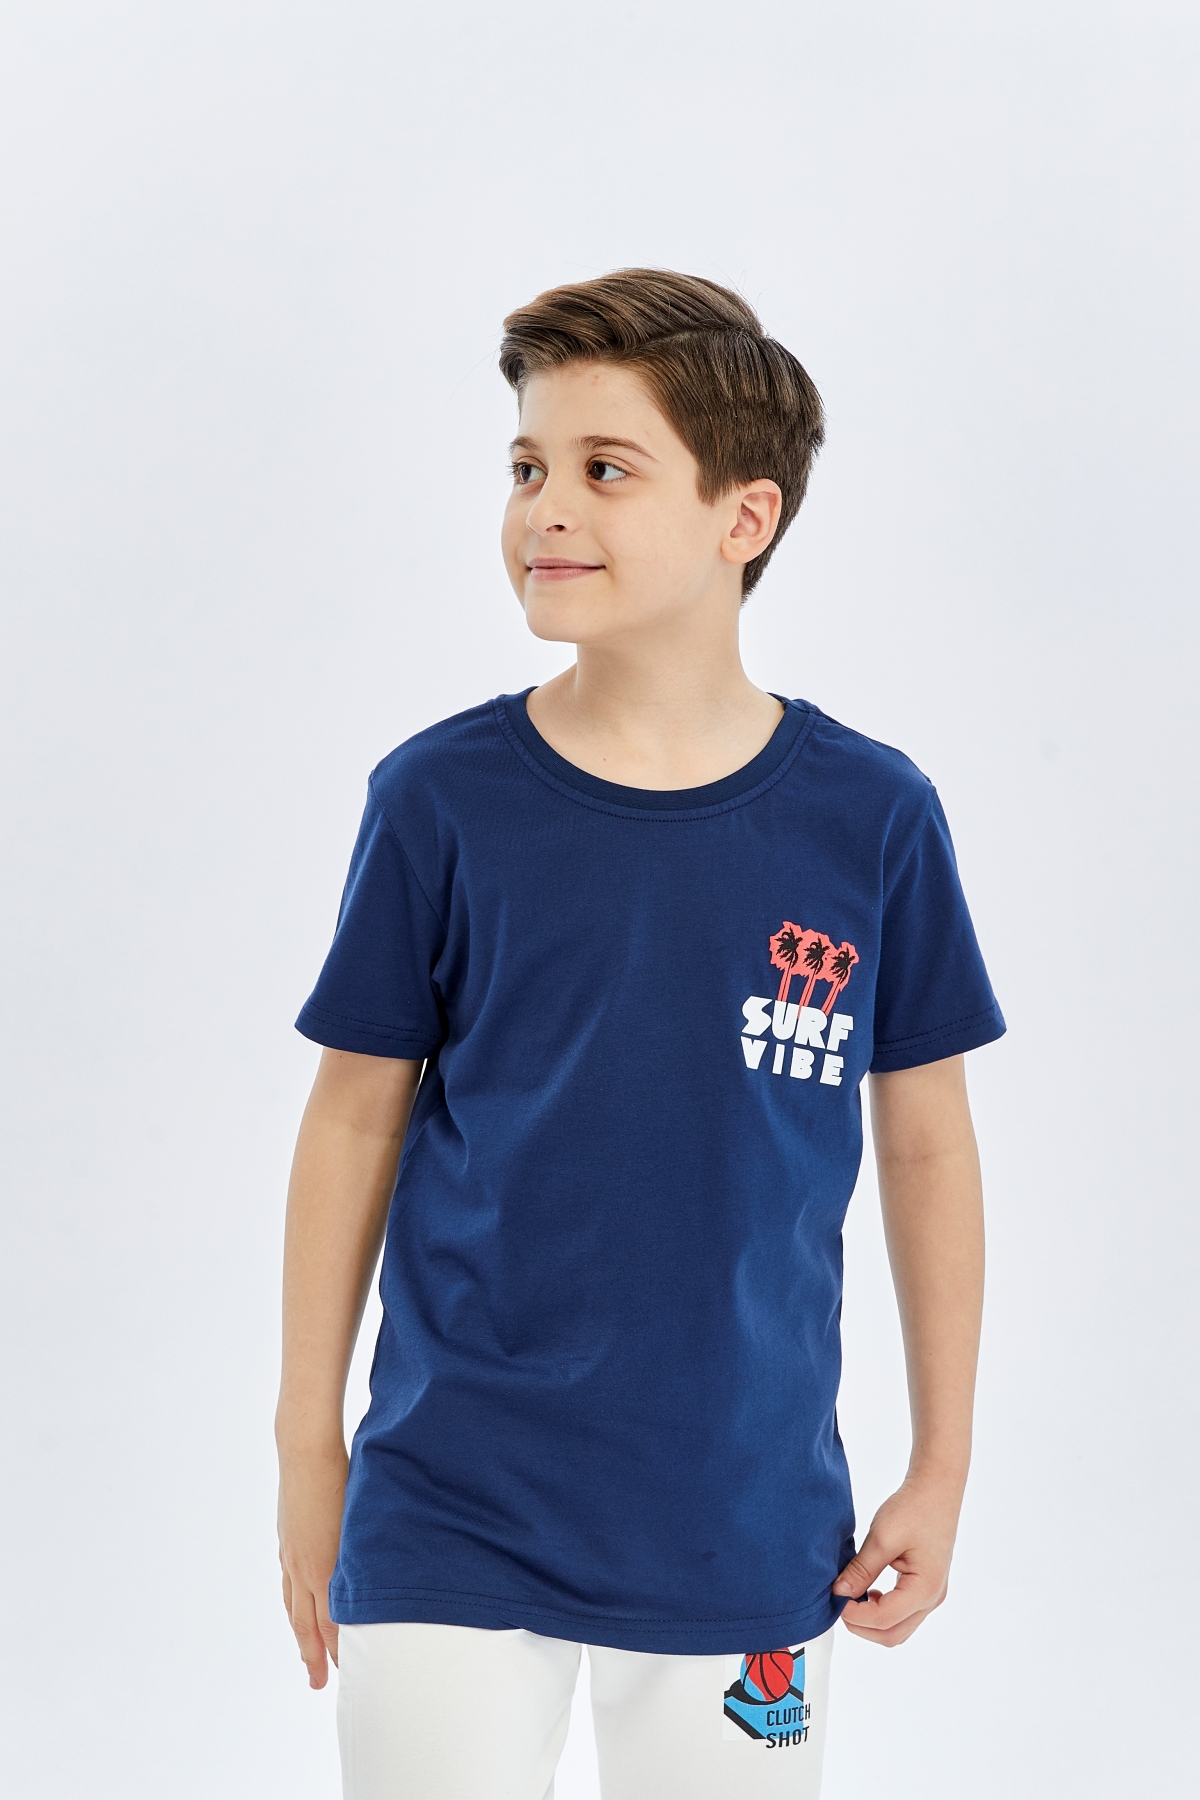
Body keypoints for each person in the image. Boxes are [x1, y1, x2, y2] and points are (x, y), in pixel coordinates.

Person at [275, 269, 1005, 1800]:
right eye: (526, 465)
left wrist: (940, 1467)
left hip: (746, 1523)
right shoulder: (440, 801)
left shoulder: (872, 817)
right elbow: (353, 1116)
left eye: (604, 470)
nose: (545, 507)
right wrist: (305, 1448)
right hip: (450, 1507)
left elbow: (928, 1146)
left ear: (745, 518)